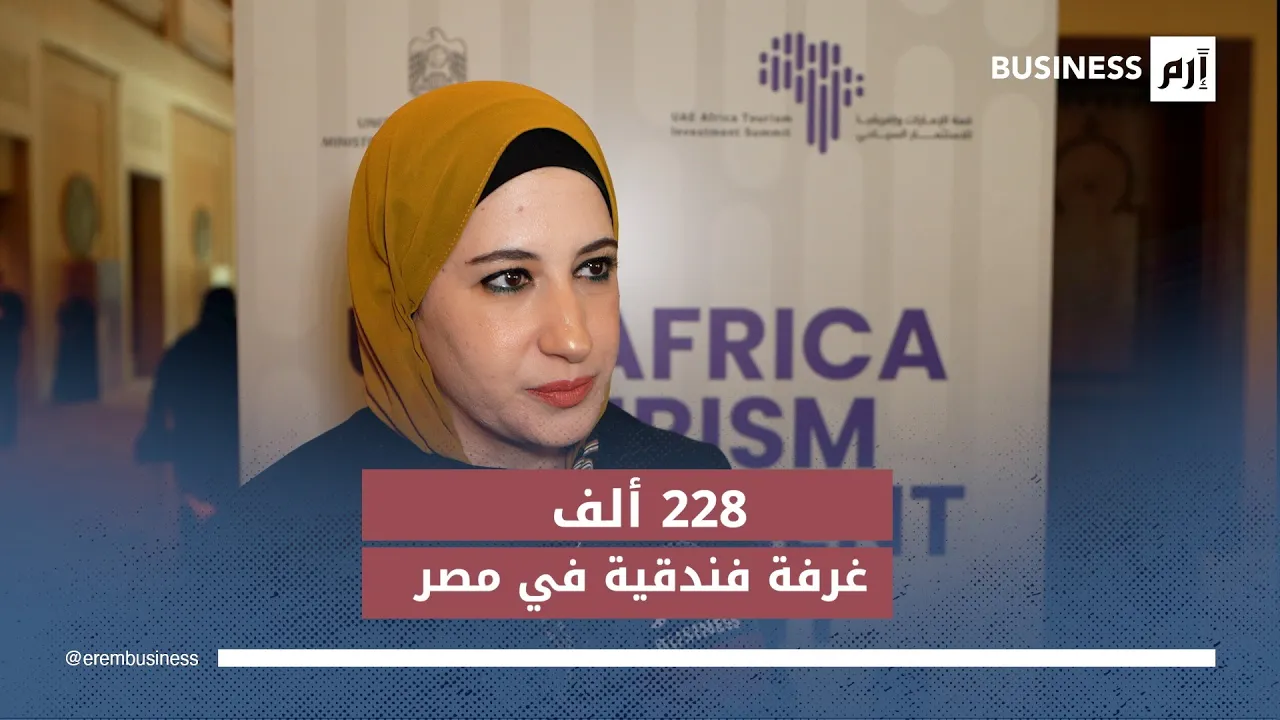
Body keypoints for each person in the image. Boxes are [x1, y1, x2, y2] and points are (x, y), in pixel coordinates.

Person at [189, 81, 769, 716]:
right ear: (401, 304)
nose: (574, 338)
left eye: (594, 269)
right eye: (509, 279)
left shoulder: (687, 484)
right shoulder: (269, 555)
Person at [135, 287, 238, 553]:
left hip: (191, 441)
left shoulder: (183, 346)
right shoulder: (242, 348)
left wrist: (155, 429)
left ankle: (194, 563)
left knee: (194, 506)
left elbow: (160, 395)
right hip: (233, 439)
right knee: (232, 507)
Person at [0, 267, 24, 447]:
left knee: (6, 391)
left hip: (6, 353)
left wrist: (3, 318)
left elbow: (19, 324)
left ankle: (7, 435)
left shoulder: (12, 300)